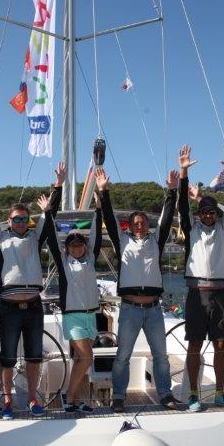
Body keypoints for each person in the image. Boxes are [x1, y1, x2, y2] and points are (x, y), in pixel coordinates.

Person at [0, 158, 66, 420]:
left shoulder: (35, 237)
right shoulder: (0, 238)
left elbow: (50, 215)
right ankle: (6, 401)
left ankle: (32, 398)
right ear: (9, 221)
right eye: (16, 219)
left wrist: (58, 185)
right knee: (7, 357)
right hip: (9, 307)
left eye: (25, 219)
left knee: (34, 357)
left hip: (34, 307)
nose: (20, 222)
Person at [95, 165, 181, 413]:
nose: (140, 225)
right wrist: (104, 192)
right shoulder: (121, 241)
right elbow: (109, 218)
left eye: (143, 222)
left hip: (154, 309)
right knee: (122, 355)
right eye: (136, 223)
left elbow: (166, 218)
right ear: (130, 226)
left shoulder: (156, 241)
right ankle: (118, 397)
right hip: (130, 308)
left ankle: (165, 394)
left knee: (161, 356)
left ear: (147, 225)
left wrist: (172, 191)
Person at [177, 144, 224, 412]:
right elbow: (182, 205)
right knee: (194, 344)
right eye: (203, 211)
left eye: (212, 211)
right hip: (196, 293)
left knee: (221, 344)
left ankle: (219, 394)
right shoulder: (191, 228)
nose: (207, 215)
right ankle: (193, 394)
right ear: (198, 213)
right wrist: (183, 174)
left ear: (217, 213)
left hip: (220, 294)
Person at [44, 195, 103, 414]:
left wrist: (99, 209)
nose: (77, 248)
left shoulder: (91, 261)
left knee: (80, 360)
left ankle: (75, 400)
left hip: (91, 315)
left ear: (85, 247)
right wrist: (48, 212)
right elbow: (51, 239)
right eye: (72, 245)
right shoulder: (63, 264)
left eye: (80, 245)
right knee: (87, 358)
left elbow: (96, 236)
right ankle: (69, 396)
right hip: (73, 316)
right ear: (67, 249)